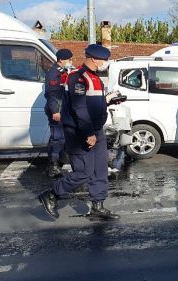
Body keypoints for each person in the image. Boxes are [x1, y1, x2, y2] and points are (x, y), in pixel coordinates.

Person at [39, 44, 121, 221]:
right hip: (80, 132)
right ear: (93, 59)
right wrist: (88, 133)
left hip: (95, 129)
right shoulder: (78, 77)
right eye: (103, 60)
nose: (105, 63)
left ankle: (98, 205)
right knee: (83, 171)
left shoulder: (94, 77)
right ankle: (51, 194)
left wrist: (108, 101)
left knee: (100, 169)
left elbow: (92, 104)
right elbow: (79, 108)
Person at [43, 48, 74, 178]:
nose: (71, 61)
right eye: (69, 59)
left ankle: (54, 164)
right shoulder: (53, 73)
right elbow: (52, 94)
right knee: (58, 139)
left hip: (61, 109)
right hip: (56, 110)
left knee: (59, 138)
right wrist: (55, 111)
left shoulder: (62, 71)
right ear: (61, 60)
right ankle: (53, 167)